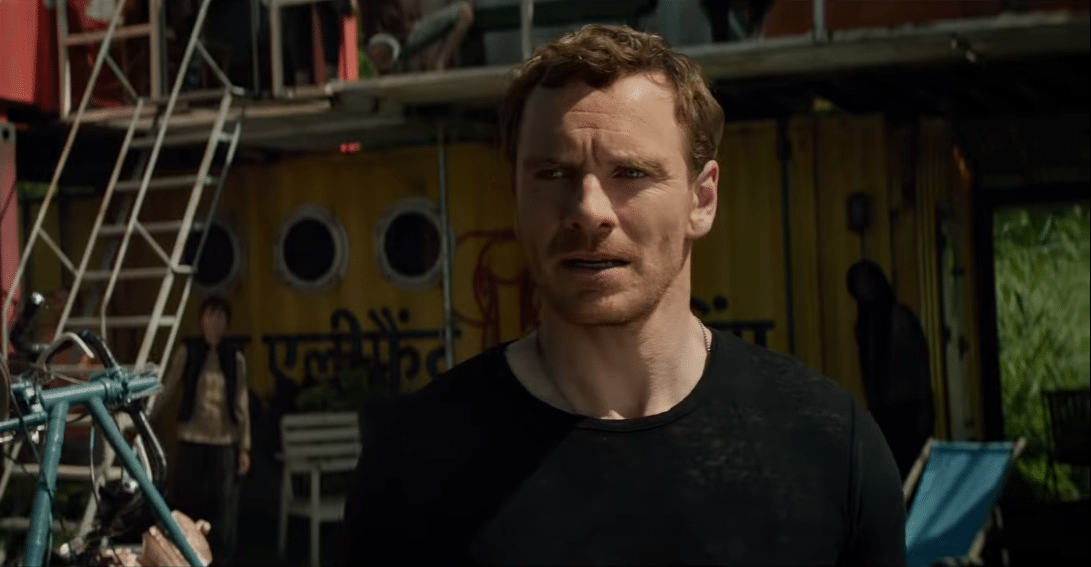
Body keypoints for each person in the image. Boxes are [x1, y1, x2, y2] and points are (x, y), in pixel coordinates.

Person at [341, 24, 907, 565]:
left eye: (631, 173)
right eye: (552, 174)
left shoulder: (828, 445)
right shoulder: (415, 462)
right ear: (515, 197)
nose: (589, 211)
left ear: (702, 200)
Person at [151, 295, 250, 566]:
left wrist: (244, 447)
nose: (214, 321)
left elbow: (241, 403)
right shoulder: (189, 351)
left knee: (223, 508)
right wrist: (146, 418)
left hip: (223, 439)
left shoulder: (235, 357)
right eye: (210, 315)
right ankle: (185, 557)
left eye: (220, 316)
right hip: (192, 436)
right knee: (187, 503)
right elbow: (169, 387)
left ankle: (222, 559)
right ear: (201, 320)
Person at [848, 259, 936, 480]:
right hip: (884, 410)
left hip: (907, 409)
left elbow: (921, 367)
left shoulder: (899, 317)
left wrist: (924, 409)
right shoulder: (865, 326)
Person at [361, 0, 474, 74]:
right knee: (381, 48)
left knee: (464, 11)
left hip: (407, 38)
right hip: (391, 43)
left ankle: (439, 65)